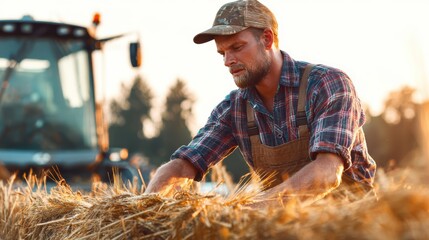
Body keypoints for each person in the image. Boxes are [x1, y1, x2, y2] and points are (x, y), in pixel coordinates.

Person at [145, 0, 376, 205]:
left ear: (267, 39)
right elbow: (185, 164)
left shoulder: (327, 83)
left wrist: (249, 210)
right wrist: (144, 208)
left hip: (350, 223)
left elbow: (327, 172)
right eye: (222, 53)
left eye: (236, 47)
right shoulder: (234, 109)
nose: (228, 61)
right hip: (285, 228)